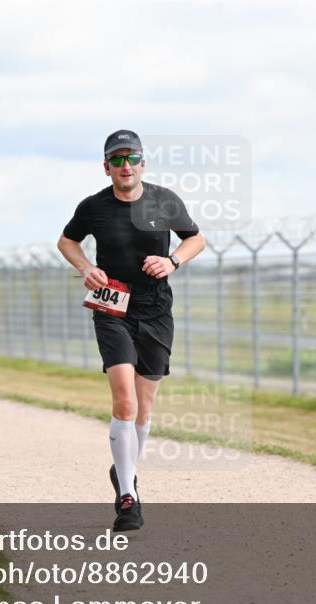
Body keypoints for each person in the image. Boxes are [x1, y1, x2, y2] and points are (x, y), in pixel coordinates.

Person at [57, 130, 206, 531]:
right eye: (117, 159)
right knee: (124, 402)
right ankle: (128, 497)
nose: (125, 166)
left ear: (143, 163)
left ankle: (124, 470)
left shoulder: (165, 200)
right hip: (112, 307)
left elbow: (197, 238)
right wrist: (86, 268)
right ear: (106, 167)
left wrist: (173, 261)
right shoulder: (93, 207)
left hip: (155, 309)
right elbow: (66, 242)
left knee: (145, 407)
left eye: (132, 158)